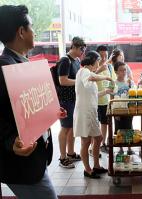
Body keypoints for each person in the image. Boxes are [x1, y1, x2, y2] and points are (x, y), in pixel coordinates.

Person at [0, 5, 59, 199]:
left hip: (35, 160)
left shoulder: (21, 63)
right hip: (21, 165)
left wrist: (51, 110)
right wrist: (11, 143)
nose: (35, 31)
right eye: (32, 27)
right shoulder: (5, 68)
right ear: (21, 31)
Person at [73, 51, 112, 178]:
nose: (98, 64)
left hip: (91, 112)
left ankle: (96, 165)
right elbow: (90, 78)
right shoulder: (84, 71)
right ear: (93, 61)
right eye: (98, 61)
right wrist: (105, 77)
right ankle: (88, 169)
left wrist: (105, 91)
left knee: (99, 138)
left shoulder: (89, 73)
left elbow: (92, 94)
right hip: (84, 112)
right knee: (86, 141)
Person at [57, 37, 86, 168]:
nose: (82, 52)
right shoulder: (65, 60)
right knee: (65, 128)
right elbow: (62, 81)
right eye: (81, 49)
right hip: (65, 100)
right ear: (74, 46)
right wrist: (78, 82)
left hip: (74, 99)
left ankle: (71, 153)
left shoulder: (77, 60)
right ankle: (62, 157)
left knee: (72, 128)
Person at [94, 45, 117, 154]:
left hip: (105, 100)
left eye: (106, 56)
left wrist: (113, 91)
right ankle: (93, 147)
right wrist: (99, 70)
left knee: (104, 123)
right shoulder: (93, 66)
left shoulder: (110, 67)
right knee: (94, 124)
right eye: (101, 56)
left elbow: (113, 81)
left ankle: (103, 144)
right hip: (93, 101)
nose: (104, 58)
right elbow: (88, 78)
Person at [113, 61, 135, 154]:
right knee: (119, 129)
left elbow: (134, 95)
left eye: (125, 70)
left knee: (129, 127)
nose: (124, 72)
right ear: (116, 72)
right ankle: (121, 148)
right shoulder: (113, 83)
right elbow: (110, 97)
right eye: (121, 70)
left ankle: (129, 148)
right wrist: (114, 112)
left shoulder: (130, 82)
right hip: (118, 110)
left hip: (128, 110)